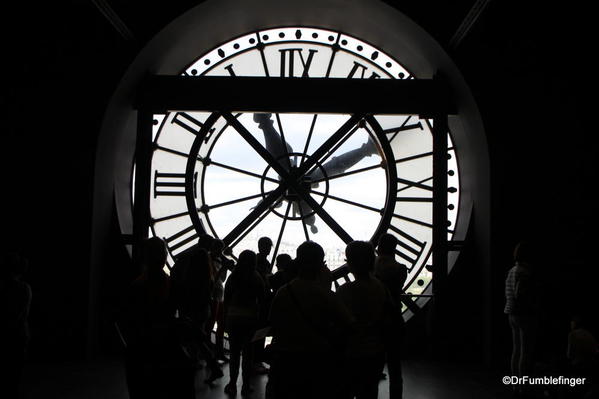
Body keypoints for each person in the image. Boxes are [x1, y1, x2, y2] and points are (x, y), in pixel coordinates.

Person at [269, 241, 353, 399]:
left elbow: (274, 324)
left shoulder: (283, 293)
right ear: (320, 265)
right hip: (317, 361)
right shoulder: (326, 296)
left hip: (287, 362)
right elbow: (347, 326)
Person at [337, 241, 388, 399]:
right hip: (375, 352)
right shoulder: (380, 287)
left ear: (350, 263)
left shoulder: (344, 291)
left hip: (352, 353)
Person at [223, 250, 266, 396]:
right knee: (248, 354)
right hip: (250, 319)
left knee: (234, 353)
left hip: (233, 318)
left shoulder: (234, 277)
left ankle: (232, 384)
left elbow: (226, 298)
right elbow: (262, 299)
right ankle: (246, 385)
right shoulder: (257, 277)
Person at [374, 233, 407, 399]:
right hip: (393, 320)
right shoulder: (400, 270)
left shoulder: (371, 269)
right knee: (395, 366)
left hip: (373, 322)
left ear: (379, 247)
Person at [504, 241, 538, 393]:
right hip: (522, 313)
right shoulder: (524, 272)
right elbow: (520, 293)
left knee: (516, 350)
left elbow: (511, 292)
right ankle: (523, 385)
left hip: (511, 312)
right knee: (525, 351)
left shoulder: (512, 271)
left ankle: (516, 383)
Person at [0, 252, 32, 399]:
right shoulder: (25, 289)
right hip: (19, 333)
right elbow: (23, 314)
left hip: (6, 333)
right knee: (15, 370)